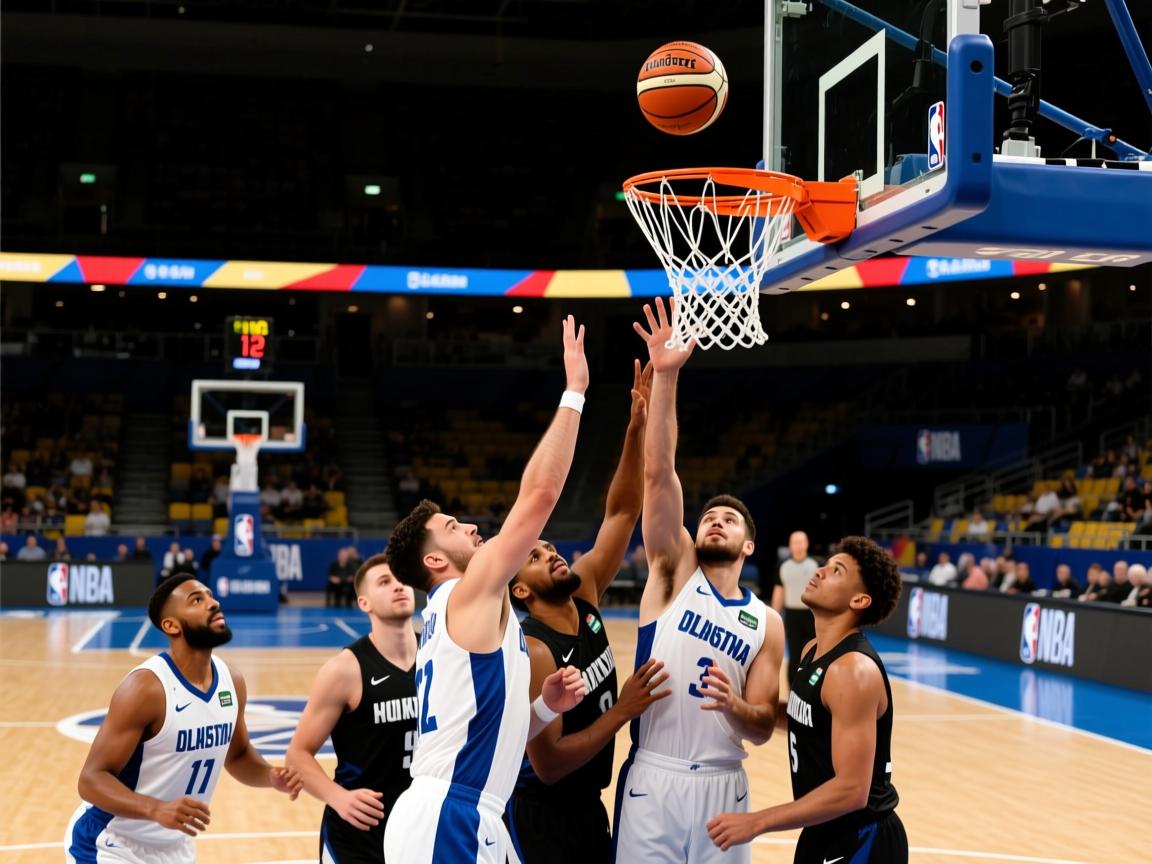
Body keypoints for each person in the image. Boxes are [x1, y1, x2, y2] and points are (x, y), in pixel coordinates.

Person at [382, 315, 590, 864]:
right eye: (454, 527)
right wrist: (574, 393)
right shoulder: (463, 594)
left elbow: (494, 733)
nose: (472, 527)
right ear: (434, 560)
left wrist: (543, 709)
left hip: (471, 812)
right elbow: (540, 494)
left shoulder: (467, 614)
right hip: (450, 813)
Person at [614, 298, 785, 864]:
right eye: (710, 514)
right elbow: (658, 474)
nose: (715, 519)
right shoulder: (673, 570)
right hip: (653, 777)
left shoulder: (768, 623)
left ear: (749, 545)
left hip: (724, 782)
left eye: (730, 518)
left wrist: (734, 706)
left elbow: (762, 726)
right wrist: (666, 376)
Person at [507, 360, 671, 864]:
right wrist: (623, 710)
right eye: (535, 556)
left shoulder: (586, 592)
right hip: (542, 812)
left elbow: (622, 511)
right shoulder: (535, 650)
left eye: (550, 546)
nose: (551, 552)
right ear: (519, 591)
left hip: (587, 802)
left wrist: (637, 427)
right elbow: (550, 763)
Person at [66, 573, 302, 862]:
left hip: (174, 847)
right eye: (197, 600)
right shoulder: (146, 688)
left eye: (210, 595)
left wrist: (270, 775)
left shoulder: (232, 680)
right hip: (110, 842)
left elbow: (238, 756)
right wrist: (156, 808)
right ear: (171, 625)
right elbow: (91, 780)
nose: (213, 603)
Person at [706, 536, 907, 863]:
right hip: (822, 827)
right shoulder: (811, 650)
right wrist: (735, 704)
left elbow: (852, 791)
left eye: (837, 570)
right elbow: (805, 717)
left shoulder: (852, 670)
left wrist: (756, 822)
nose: (821, 571)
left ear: (859, 600)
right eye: (826, 564)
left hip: (862, 835)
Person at [287, 553, 418, 863]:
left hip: (421, 825)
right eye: (385, 582)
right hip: (360, 833)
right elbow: (297, 754)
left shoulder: (440, 653)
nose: (398, 587)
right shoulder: (345, 670)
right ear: (364, 603)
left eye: (401, 579)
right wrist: (338, 798)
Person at [779, 532, 818, 667]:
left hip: (812, 615)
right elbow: (779, 591)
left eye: (801, 542)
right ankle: (793, 686)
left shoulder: (816, 565)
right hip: (792, 615)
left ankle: (810, 686)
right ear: (790, 545)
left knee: (813, 652)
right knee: (794, 653)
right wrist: (775, 616)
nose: (798, 546)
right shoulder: (783, 566)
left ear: (807, 544)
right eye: (795, 542)